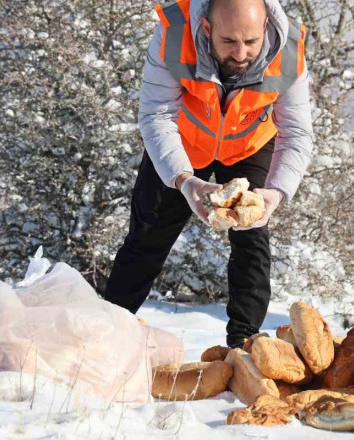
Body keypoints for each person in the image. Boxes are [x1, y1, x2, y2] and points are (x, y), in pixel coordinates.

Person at [102, 0, 313, 348]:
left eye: (252, 41)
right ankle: (109, 335)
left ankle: (245, 346)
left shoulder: (289, 50)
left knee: (253, 240)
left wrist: (276, 193)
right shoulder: (173, 34)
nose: (242, 53)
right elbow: (156, 115)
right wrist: (184, 181)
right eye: (229, 41)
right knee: (146, 236)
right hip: (183, 142)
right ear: (206, 29)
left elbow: (297, 132)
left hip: (248, 145)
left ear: (265, 29)